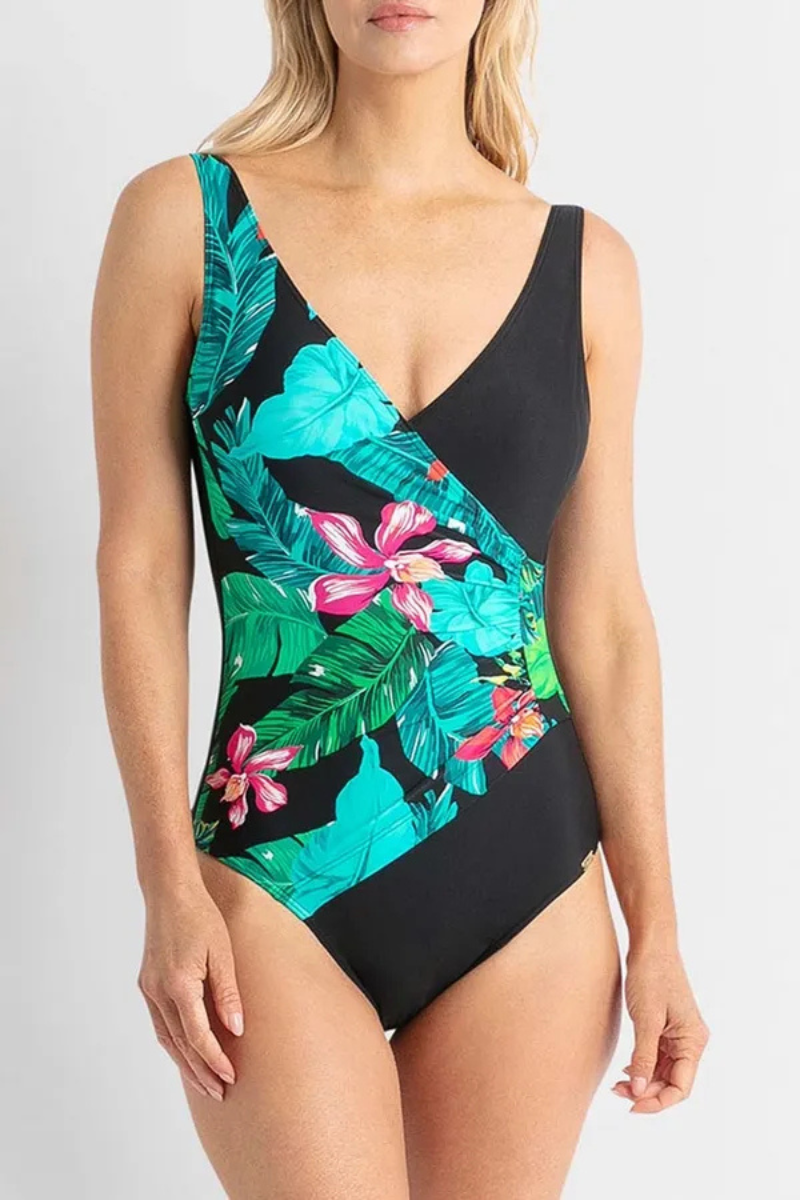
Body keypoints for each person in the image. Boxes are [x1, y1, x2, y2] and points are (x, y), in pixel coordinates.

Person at [90, 1, 709, 1196]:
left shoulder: (587, 268)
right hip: (273, 876)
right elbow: (139, 569)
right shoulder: (187, 222)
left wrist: (660, 930)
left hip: (532, 883)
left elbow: (605, 618)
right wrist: (164, 881)